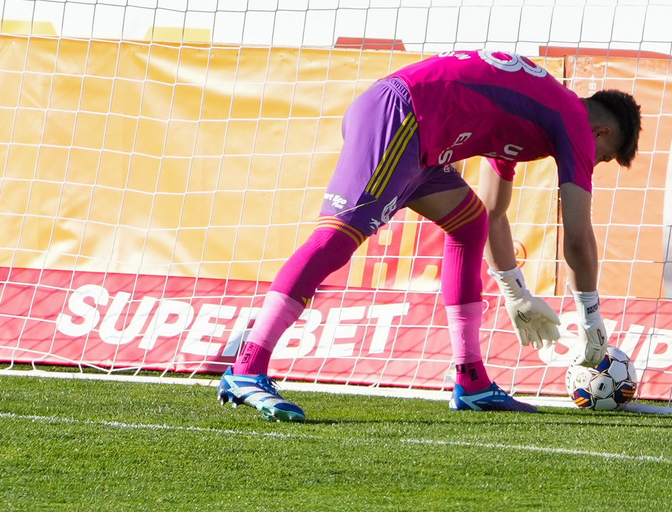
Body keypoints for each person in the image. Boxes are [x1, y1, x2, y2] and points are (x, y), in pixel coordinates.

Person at [216, 51, 644, 420]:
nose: (593, 162)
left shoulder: (540, 111)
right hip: (403, 117)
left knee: (468, 220)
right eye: (602, 158)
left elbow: (494, 214)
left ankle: (471, 379)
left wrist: (515, 292)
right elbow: (577, 237)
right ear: (601, 133)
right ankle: (247, 368)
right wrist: (590, 317)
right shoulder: (571, 121)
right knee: (335, 238)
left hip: (421, 133)